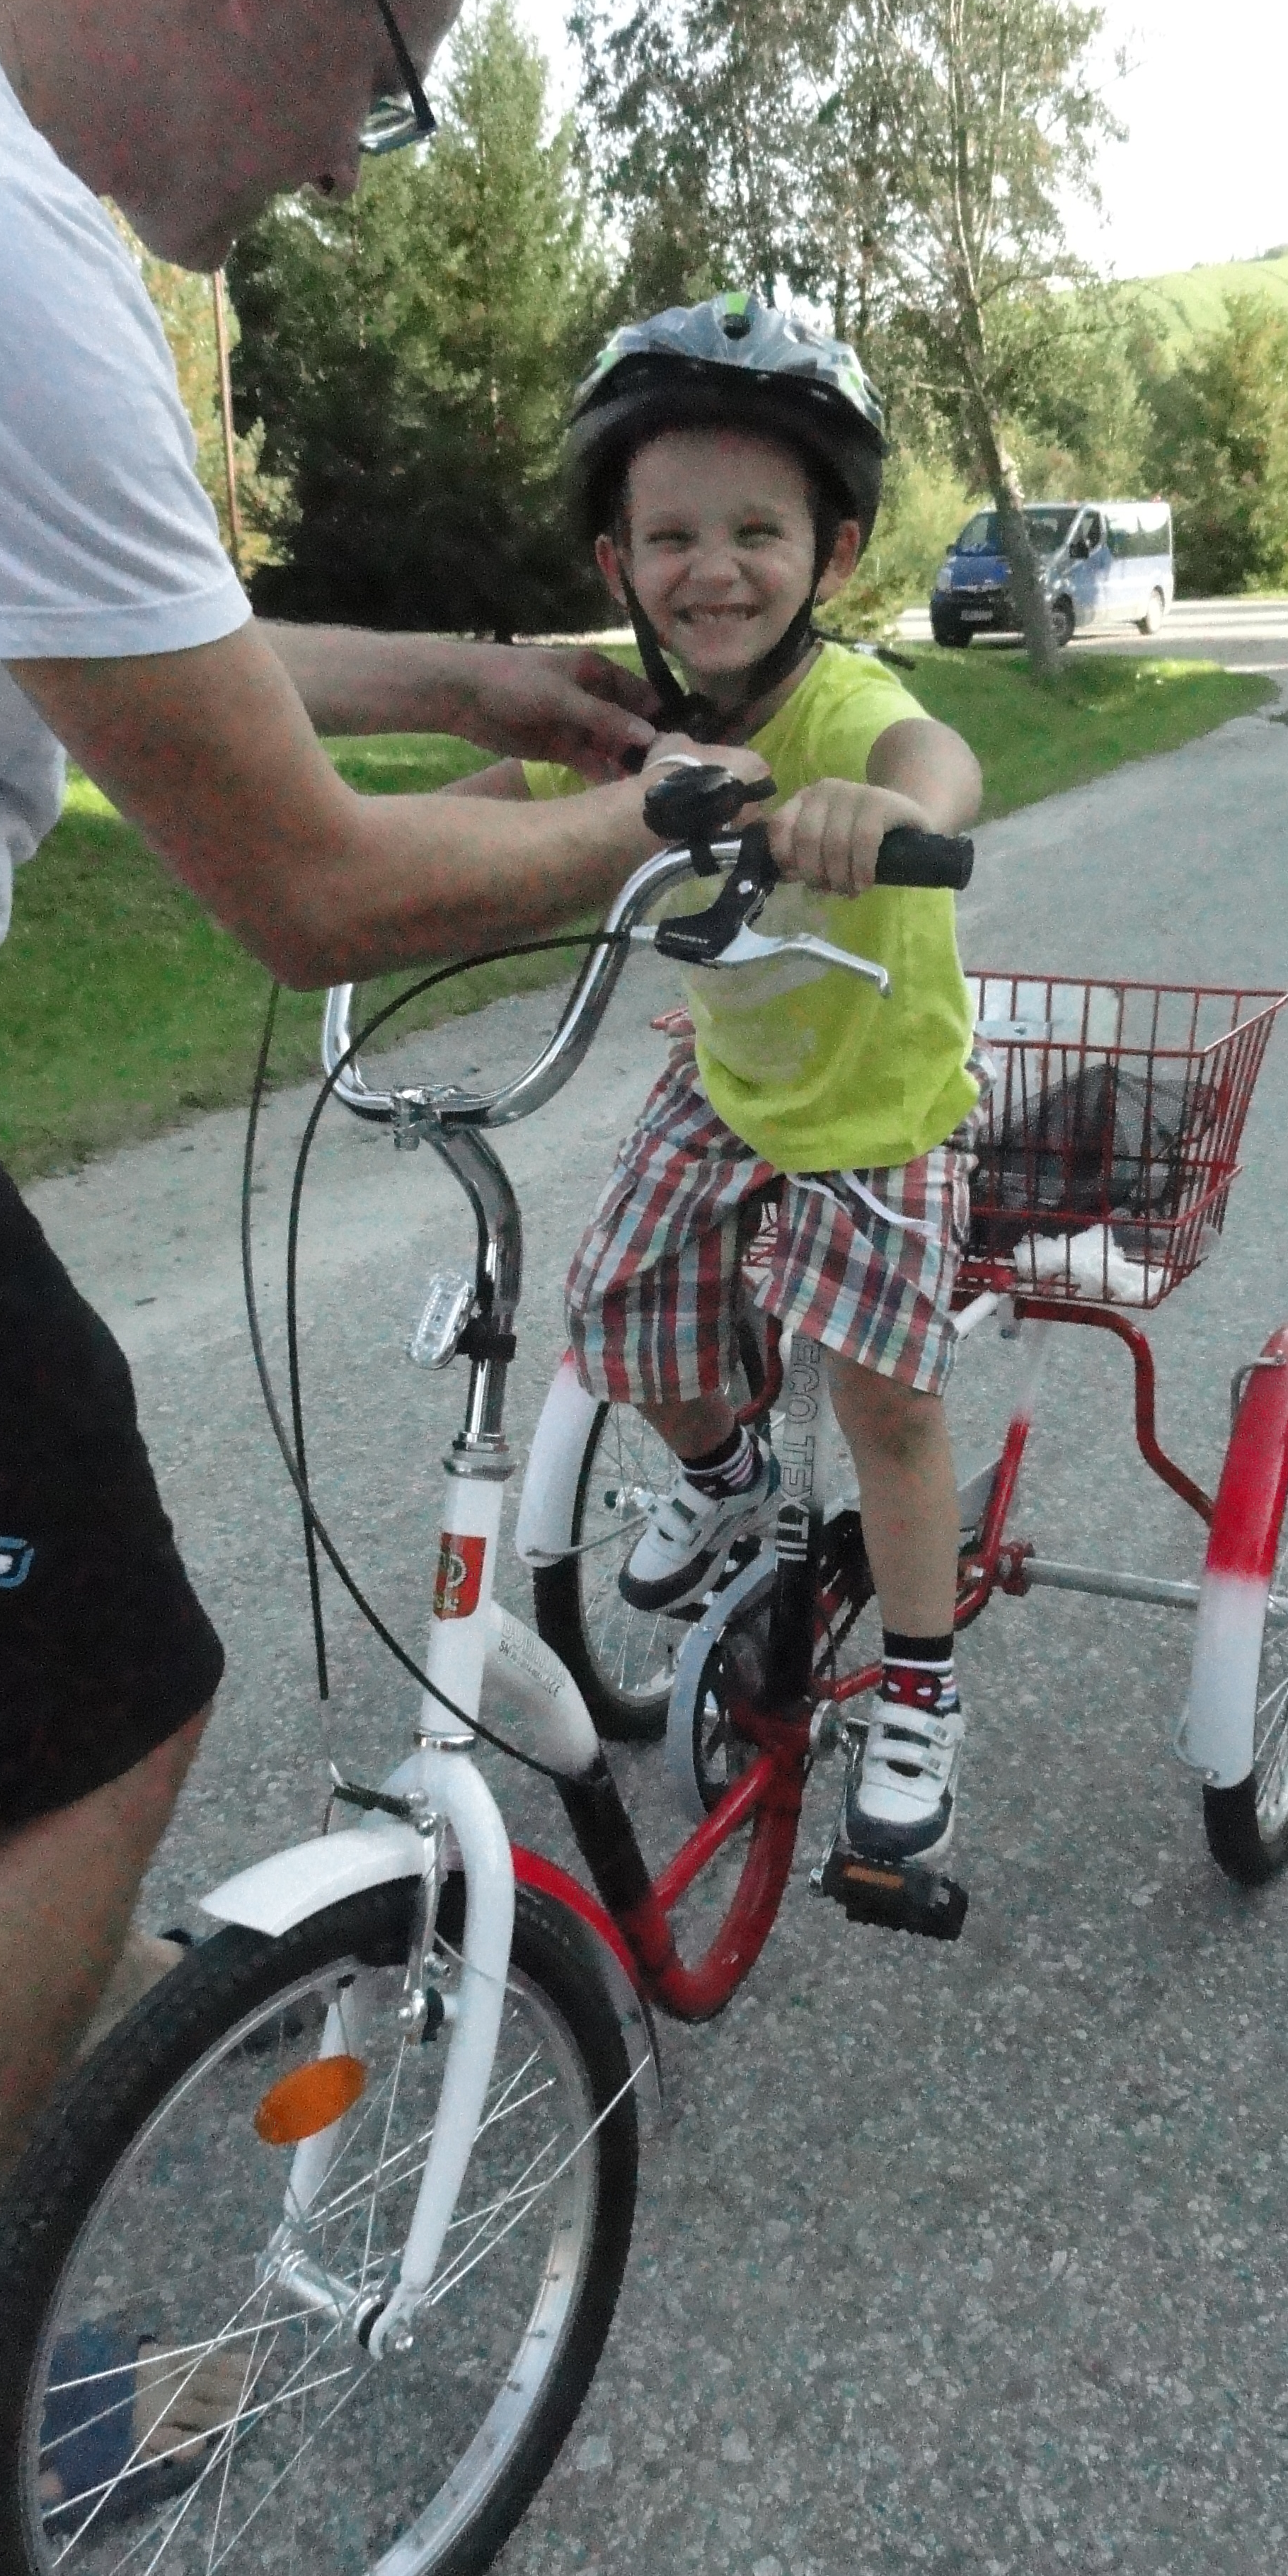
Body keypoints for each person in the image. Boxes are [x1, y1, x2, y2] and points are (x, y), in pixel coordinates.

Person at [0, 0, 682, 2553]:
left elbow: (81, 617)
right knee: (100, 1704)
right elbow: (308, 894)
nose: (348, 161)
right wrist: (676, 817)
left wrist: (457, 675)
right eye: (386, 82)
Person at [454, 294, 985, 1874]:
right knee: (616, 1308)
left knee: (885, 1402)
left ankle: (921, 1689)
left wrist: (884, 816)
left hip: (878, 1102)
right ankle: (725, 1472)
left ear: (832, 554)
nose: (716, 567)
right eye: (672, 535)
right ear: (617, 564)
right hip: (732, 1085)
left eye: (759, 531)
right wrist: (353, 846)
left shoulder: (846, 706)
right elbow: (487, 807)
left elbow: (937, 759)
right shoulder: (630, 731)